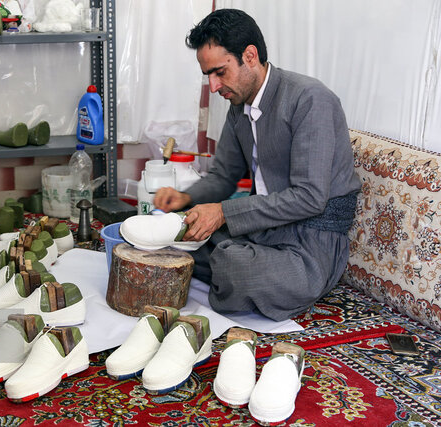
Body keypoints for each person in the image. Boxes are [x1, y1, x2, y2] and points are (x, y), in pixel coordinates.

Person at [153, 8, 361, 321]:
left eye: (220, 72)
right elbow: (223, 176)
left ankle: (240, 270)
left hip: (310, 245)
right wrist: (187, 199)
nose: (213, 86)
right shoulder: (239, 106)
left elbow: (310, 197)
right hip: (265, 229)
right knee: (179, 240)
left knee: (234, 268)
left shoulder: (310, 100)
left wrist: (222, 213)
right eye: (208, 75)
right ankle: (232, 265)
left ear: (250, 56)